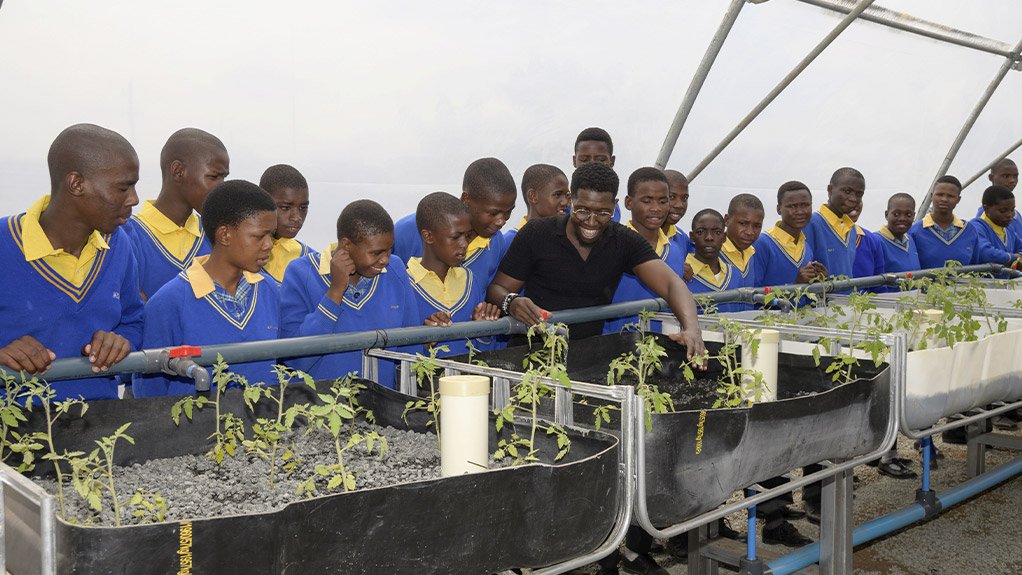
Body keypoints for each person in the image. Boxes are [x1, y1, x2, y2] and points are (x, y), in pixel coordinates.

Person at [488, 162, 704, 348]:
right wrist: (511, 301)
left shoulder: (623, 241)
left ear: (615, 206)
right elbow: (498, 288)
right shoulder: (536, 234)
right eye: (582, 210)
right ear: (571, 200)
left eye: (603, 213)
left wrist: (692, 328)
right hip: (530, 355)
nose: (591, 221)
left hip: (589, 356)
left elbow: (671, 284)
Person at [0, 124, 144, 400]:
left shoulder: (118, 244)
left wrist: (122, 340)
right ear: (77, 184)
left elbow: (134, 320)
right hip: (15, 435)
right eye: (123, 188)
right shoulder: (3, 244)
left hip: (103, 430)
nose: (134, 199)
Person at [134, 181, 279, 397]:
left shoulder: (270, 290)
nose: (269, 244)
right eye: (259, 236)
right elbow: (149, 395)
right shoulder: (169, 302)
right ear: (224, 235)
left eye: (272, 235)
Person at [280, 200, 419, 386]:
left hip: (381, 407)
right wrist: (335, 292)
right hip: (321, 409)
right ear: (346, 245)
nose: (385, 259)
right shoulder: (300, 273)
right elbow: (295, 360)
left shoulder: (396, 269)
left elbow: (412, 347)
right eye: (376, 252)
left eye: (389, 250)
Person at [123, 128, 229, 299]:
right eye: (214, 177)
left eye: (224, 178)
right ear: (178, 171)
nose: (222, 188)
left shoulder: (219, 235)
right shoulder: (128, 236)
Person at [393, 158, 515, 283]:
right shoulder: (408, 231)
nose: (501, 221)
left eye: (508, 212)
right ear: (466, 199)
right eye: (493, 213)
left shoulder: (496, 243)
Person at [411, 192, 501, 356]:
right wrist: (424, 343)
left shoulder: (470, 279)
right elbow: (397, 356)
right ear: (428, 236)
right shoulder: (405, 284)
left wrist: (483, 330)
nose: (464, 244)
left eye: (467, 236)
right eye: (455, 237)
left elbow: (481, 353)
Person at [604, 167, 686, 334]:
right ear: (628, 202)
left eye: (663, 201)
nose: (656, 208)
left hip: (665, 348)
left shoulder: (675, 249)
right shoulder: (611, 245)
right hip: (617, 346)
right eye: (647, 201)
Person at [753, 181, 827, 287]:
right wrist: (796, 285)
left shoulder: (805, 246)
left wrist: (818, 282)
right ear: (779, 209)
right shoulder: (762, 244)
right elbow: (753, 295)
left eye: (805, 205)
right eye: (792, 206)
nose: (800, 211)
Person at [258, 164, 316, 284]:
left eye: (303, 207)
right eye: (285, 207)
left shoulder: (313, 261)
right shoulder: (241, 257)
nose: (296, 217)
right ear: (262, 202)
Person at [803, 167, 863, 279]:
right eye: (847, 191)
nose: (853, 199)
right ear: (830, 189)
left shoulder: (851, 228)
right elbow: (805, 272)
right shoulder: (811, 223)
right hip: (822, 295)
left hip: (847, 296)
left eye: (859, 194)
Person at [908, 176, 979, 269]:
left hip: (962, 283)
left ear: (958, 199)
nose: (944, 199)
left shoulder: (969, 230)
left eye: (950, 196)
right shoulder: (915, 231)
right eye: (940, 194)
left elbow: (975, 266)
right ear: (931, 196)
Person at [686, 209, 744, 314]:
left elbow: (744, 315)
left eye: (717, 232)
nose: (709, 238)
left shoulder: (735, 274)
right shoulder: (681, 274)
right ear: (692, 237)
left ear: (724, 237)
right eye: (701, 232)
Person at [504, 164, 570, 245]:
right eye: (558, 194)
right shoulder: (509, 241)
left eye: (567, 195)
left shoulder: (566, 237)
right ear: (533, 196)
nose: (565, 202)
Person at [572, 127, 621, 222]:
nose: (592, 164)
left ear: (612, 161)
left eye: (600, 160)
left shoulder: (613, 210)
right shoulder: (560, 205)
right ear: (574, 161)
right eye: (584, 160)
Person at [721, 194, 766, 296]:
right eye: (743, 223)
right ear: (726, 220)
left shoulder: (752, 253)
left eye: (757, 226)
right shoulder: (711, 253)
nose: (750, 232)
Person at [967, 185, 1022, 268]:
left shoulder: (1008, 229)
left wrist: (1019, 256)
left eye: (1012, 210)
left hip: (1006, 281)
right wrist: (1013, 257)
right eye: (1003, 211)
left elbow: (1020, 246)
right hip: (982, 280)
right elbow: (986, 253)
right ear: (986, 208)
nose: (1010, 215)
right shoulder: (975, 227)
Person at [975, 158, 1022, 245]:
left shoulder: (1016, 214)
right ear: (991, 178)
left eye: (1015, 176)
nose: (1012, 180)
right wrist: (1010, 257)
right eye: (1006, 176)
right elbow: (984, 247)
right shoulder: (985, 214)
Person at [875, 193, 921, 273]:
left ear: (914, 216)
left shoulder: (909, 239)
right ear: (886, 214)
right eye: (896, 214)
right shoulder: (876, 241)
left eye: (908, 215)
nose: (902, 218)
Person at [849, 198, 885, 287]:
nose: (854, 201)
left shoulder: (871, 240)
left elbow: (879, 283)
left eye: (859, 197)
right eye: (847, 193)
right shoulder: (819, 231)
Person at [662, 169, 692, 259]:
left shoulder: (682, 238)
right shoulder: (635, 236)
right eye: (671, 197)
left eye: (685, 198)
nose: (679, 205)